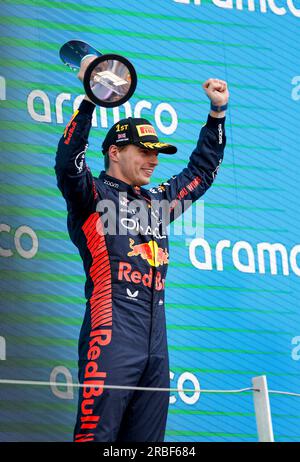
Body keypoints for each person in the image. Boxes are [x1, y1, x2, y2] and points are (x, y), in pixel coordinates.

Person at [55, 55, 229, 442]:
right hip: (112, 334)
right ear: (115, 152)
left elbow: (201, 172)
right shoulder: (91, 195)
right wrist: (90, 100)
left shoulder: (158, 202)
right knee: (95, 440)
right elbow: (68, 164)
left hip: (156, 345)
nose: (153, 159)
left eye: (157, 152)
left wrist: (217, 114)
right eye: (144, 150)